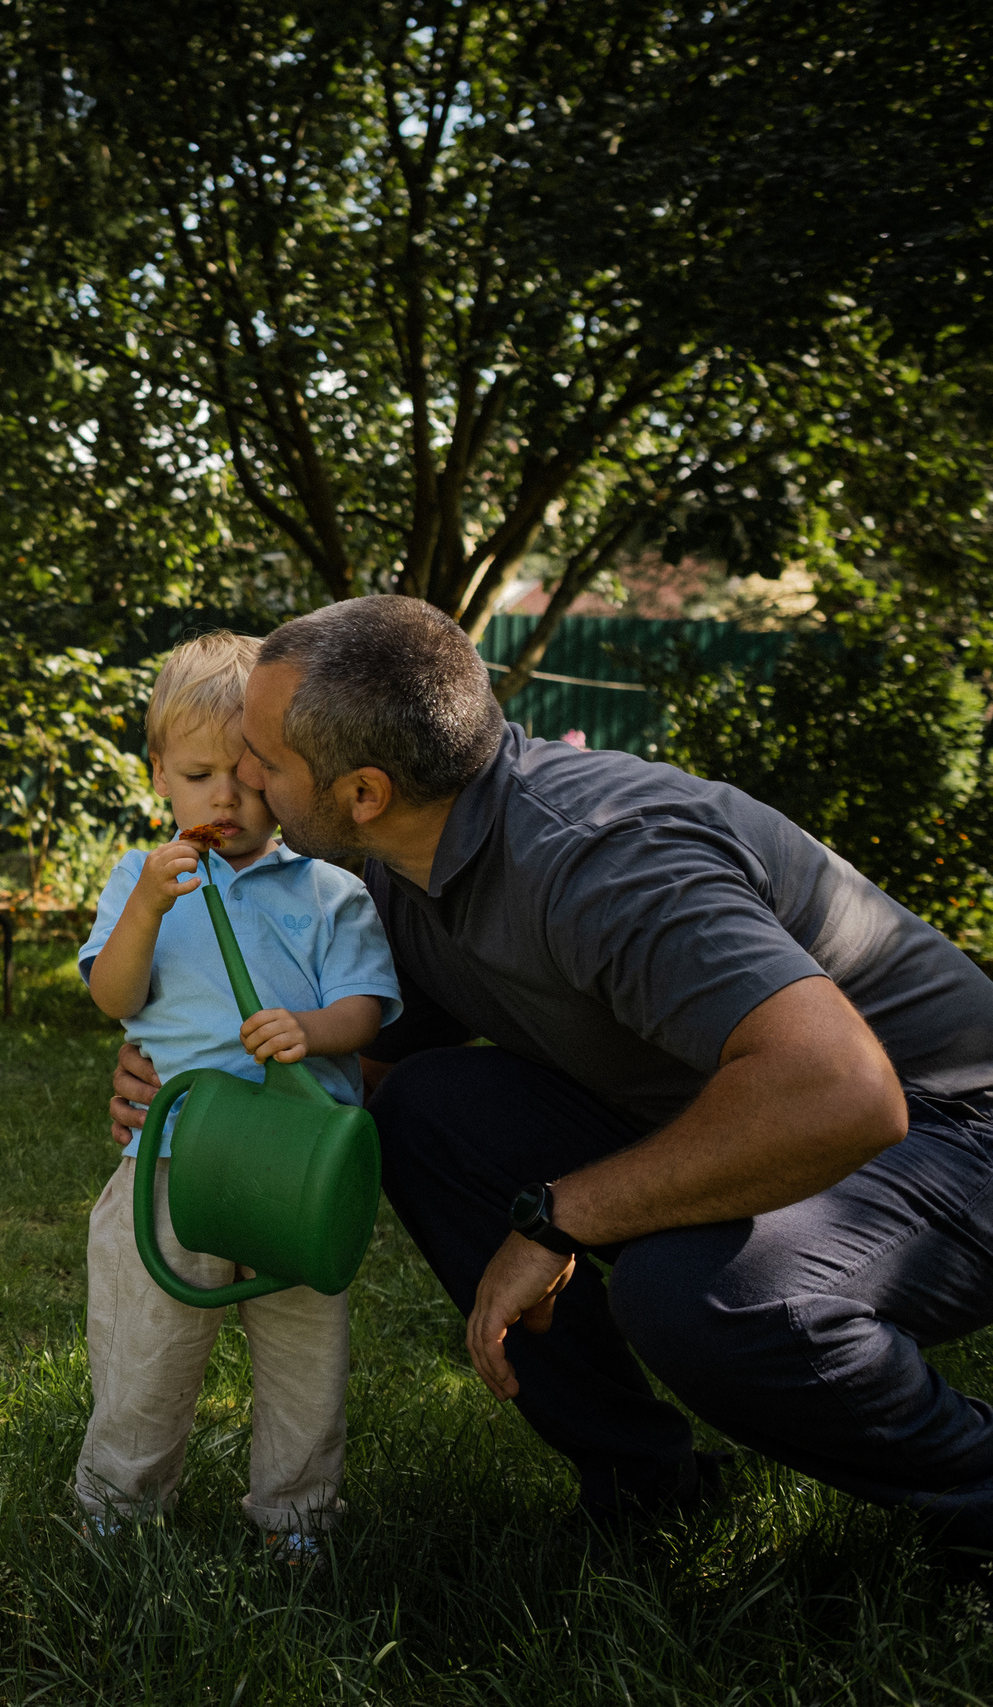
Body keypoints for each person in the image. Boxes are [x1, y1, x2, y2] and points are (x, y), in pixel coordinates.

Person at [109, 595, 993, 1551]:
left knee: (692, 1292)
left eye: (265, 760)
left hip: (949, 1130)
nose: (239, 777)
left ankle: (976, 1494)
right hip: (726, 1104)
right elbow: (361, 1060)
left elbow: (844, 1093)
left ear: (363, 791)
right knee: (429, 1110)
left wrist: (558, 1216)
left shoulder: (604, 861)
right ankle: (647, 1485)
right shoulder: (404, 865)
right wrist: (193, 1084)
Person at [74, 632, 399, 1558]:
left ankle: (297, 1516)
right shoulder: (140, 878)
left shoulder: (330, 890)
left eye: (251, 776)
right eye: (200, 772)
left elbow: (369, 1006)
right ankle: (118, 1507)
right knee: (147, 1353)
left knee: (306, 1360)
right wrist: (144, 907)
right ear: (160, 776)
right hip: (169, 1165)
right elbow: (115, 996)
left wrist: (315, 1028)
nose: (227, 797)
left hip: (294, 1168)